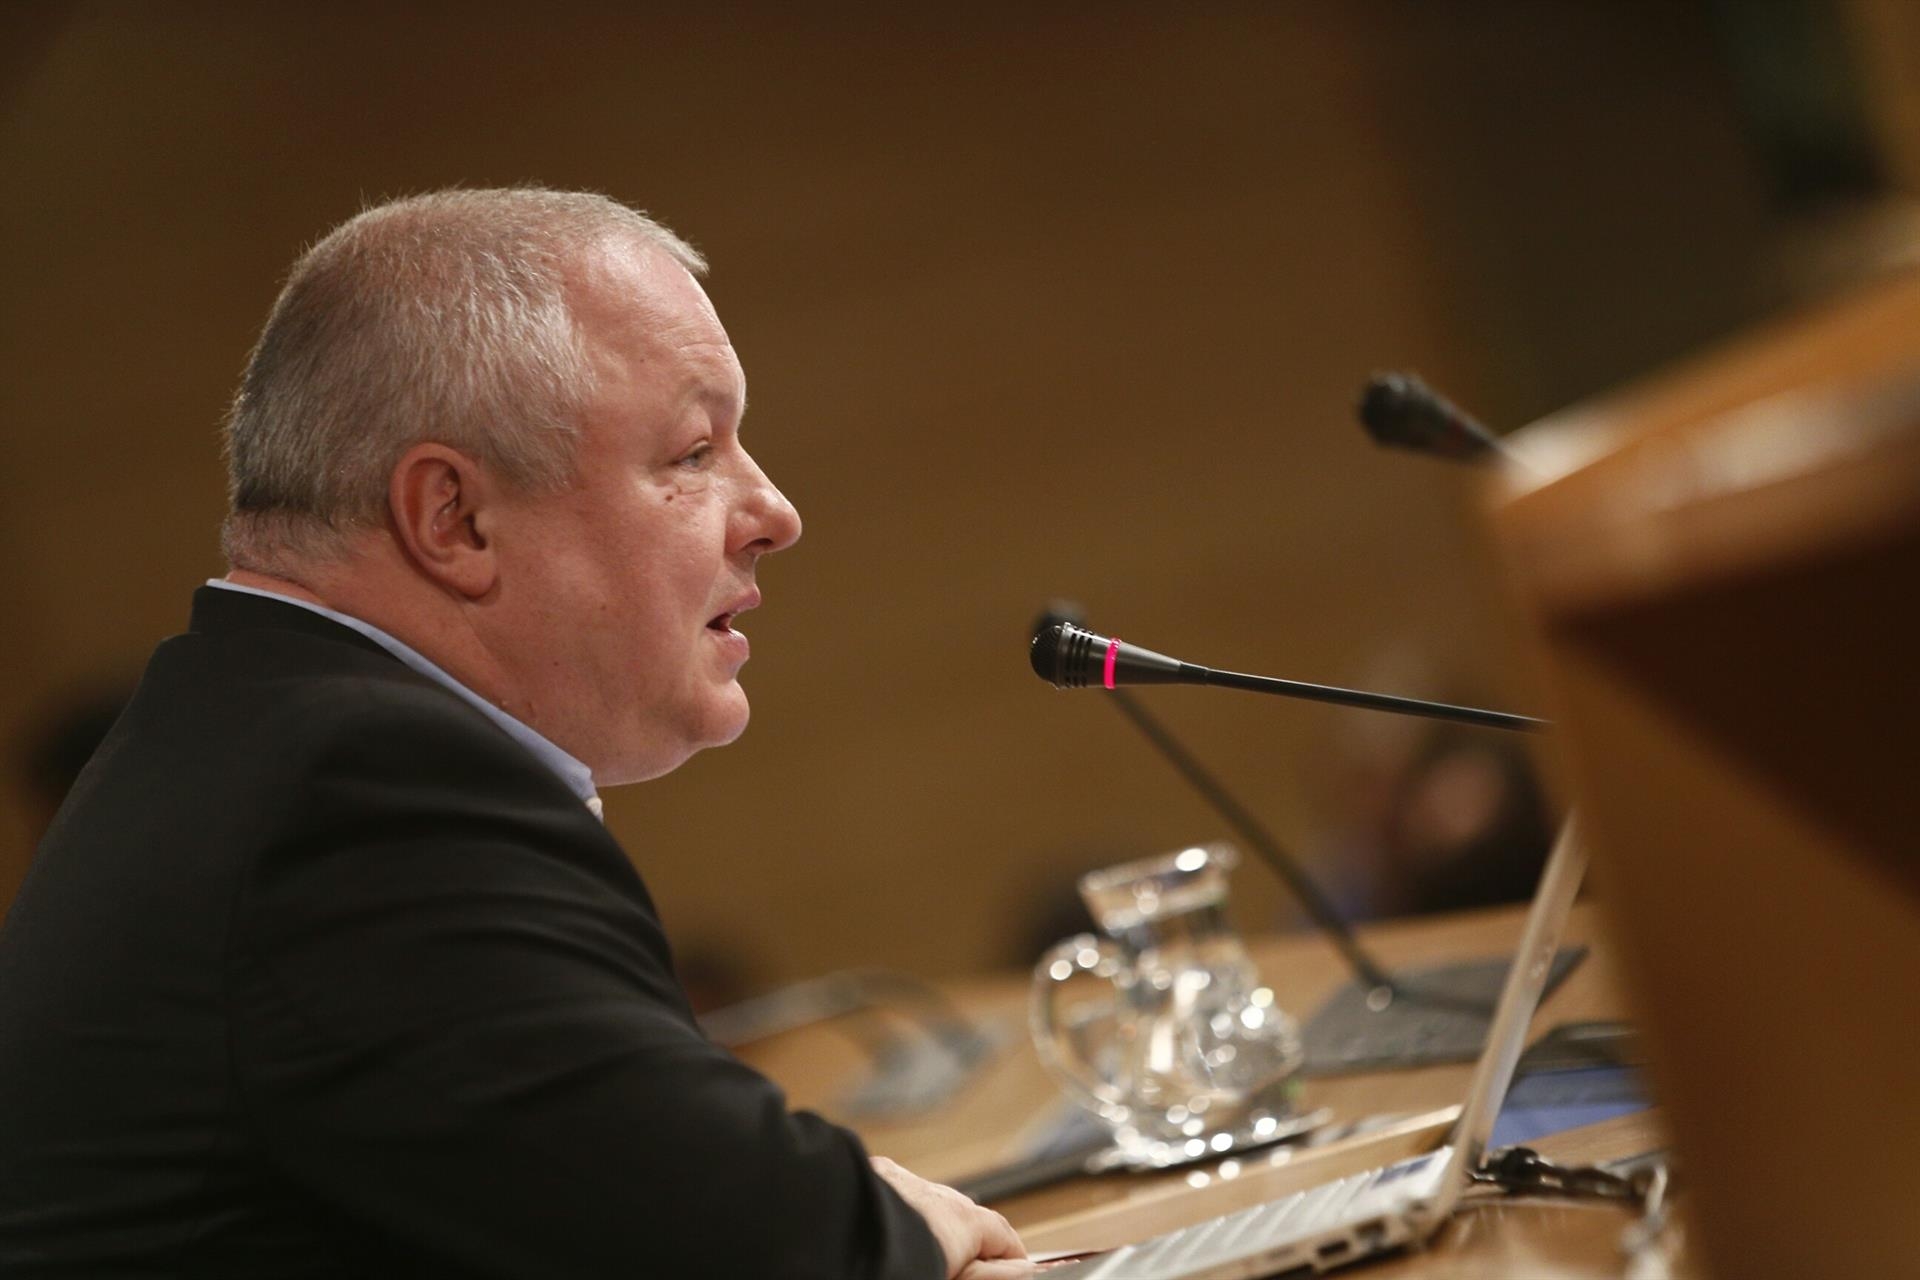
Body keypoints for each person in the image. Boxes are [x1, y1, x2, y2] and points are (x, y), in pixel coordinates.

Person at [0, 189, 1030, 1279]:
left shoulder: (254, 727)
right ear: (455, 518)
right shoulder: (357, 792)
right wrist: (898, 1215)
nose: (775, 509)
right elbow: (764, 1241)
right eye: (691, 452)